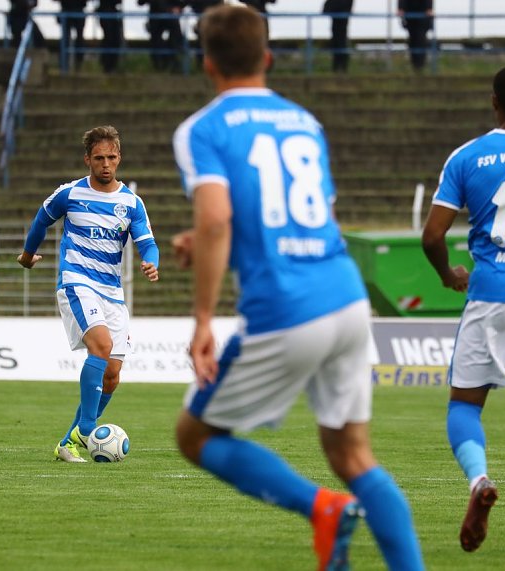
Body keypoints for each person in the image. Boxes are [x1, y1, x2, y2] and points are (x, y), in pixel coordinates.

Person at [171, 5, 424, 570]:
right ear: (268, 57)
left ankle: (322, 509)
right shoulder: (304, 121)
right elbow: (310, 222)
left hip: (285, 308)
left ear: (206, 62)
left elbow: (217, 219)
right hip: (346, 297)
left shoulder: (202, 129)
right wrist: (212, 238)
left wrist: (204, 319)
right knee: (353, 453)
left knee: (195, 435)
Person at [421, 64, 505, 554]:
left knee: (464, 405)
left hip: (490, 292)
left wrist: (447, 274)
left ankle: (479, 480)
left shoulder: (468, 157)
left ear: (494, 102)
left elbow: (432, 235)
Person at [18, 125, 160, 463]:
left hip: (112, 292)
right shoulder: (70, 194)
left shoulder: (131, 203)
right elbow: (41, 221)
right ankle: (87, 427)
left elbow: (147, 243)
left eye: (112, 157)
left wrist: (151, 263)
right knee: (101, 345)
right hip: (77, 282)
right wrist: (27, 255)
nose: (106, 164)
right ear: (87, 160)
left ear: (119, 157)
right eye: (99, 158)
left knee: (112, 375)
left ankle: (68, 442)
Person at [138, 0, 185, 72]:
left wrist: (179, 7)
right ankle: (161, 65)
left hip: (170, 16)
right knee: (156, 41)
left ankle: (173, 63)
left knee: (175, 40)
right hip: (157, 16)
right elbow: (140, 2)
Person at [397, 0, 433, 72]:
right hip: (411, 16)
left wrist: (429, 8)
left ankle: (419, 66)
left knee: (420, 40)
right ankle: (416, 66)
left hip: (422, 16)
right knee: (413, 41)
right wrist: (400, 8)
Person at [323, 0, 353, 73]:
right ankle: (338, 69)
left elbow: (327, 8)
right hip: (337, 26)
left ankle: (341, 69)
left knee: (340, 45)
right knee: (337, 46)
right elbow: (326, 9)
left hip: (341, 26)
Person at [58, 0, 88, 68]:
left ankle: (75, 63)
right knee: (68, 39)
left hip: (72, 10)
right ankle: (67, 63)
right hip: (70, 10)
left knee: (77, 39)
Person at [97, 0, 123, 73]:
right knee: (110, 38)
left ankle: (110, 65)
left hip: (111, 12)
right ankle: (108, 65)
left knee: (113, 39)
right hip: (106, 11)